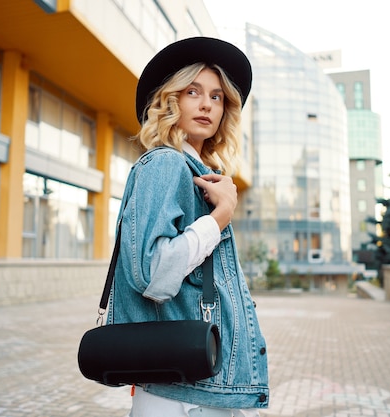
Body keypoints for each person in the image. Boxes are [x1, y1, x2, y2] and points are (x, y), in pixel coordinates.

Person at [107, 37, 269, 417]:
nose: (207, 104)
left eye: (217, 96)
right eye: (192, 91)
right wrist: (218, 220)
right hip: (180, 393)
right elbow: (153, 273)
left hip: (195, 383)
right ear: (169, 100)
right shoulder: (166, 164)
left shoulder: (200, 174)